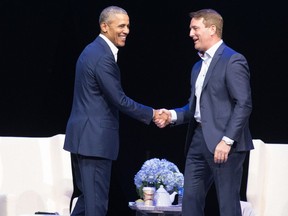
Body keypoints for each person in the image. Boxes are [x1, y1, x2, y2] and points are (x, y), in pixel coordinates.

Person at [63, 6, 167, 216]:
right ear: (104, 26)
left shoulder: (93, 50)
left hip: (85, 139)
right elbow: (119, 100)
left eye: (128, 25)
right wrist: (152, 113)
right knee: (96, 206)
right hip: (94, 142)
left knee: (86, 202)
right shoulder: (102, 56)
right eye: (121, 25)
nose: (126, 30)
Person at [154, 9, 254, 216]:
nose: (191, 33)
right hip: (198, 141)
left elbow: (243, 104)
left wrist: (227, 141)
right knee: (189, 201)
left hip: (226, 144)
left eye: (195, 28)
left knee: (227, 205)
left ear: (212, 29)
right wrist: (171, 115)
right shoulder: (197, 67)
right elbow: (195, 109)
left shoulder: (233, 60)